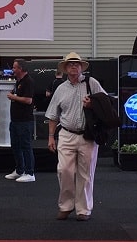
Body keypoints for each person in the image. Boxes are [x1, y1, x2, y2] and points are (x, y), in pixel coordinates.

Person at [45, 51, 107, 221]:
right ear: (65, 68)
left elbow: (106, 102)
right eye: (70, 64)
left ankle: (83, 210)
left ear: (81, 67)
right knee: (64, 170)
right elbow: (52, 115)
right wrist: (51, 137)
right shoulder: (60, 88)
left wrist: (93, 103)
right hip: (66, 134)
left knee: (86, 174)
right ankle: (66, 205)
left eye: (77, 63)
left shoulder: (91, 83)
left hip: (88, 135)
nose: (74, 66)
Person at [5, 58, 36, 182]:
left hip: (24, 121)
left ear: (21, 69)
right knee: (15, 146)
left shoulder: (28, 81)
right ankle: (19, 170)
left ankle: (30, 172)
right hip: (15, 120)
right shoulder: (19, 82)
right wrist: (15, 94)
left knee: (25, 146)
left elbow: (28, 100)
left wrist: (13, 97)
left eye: (14, 67)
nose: (12, 70)